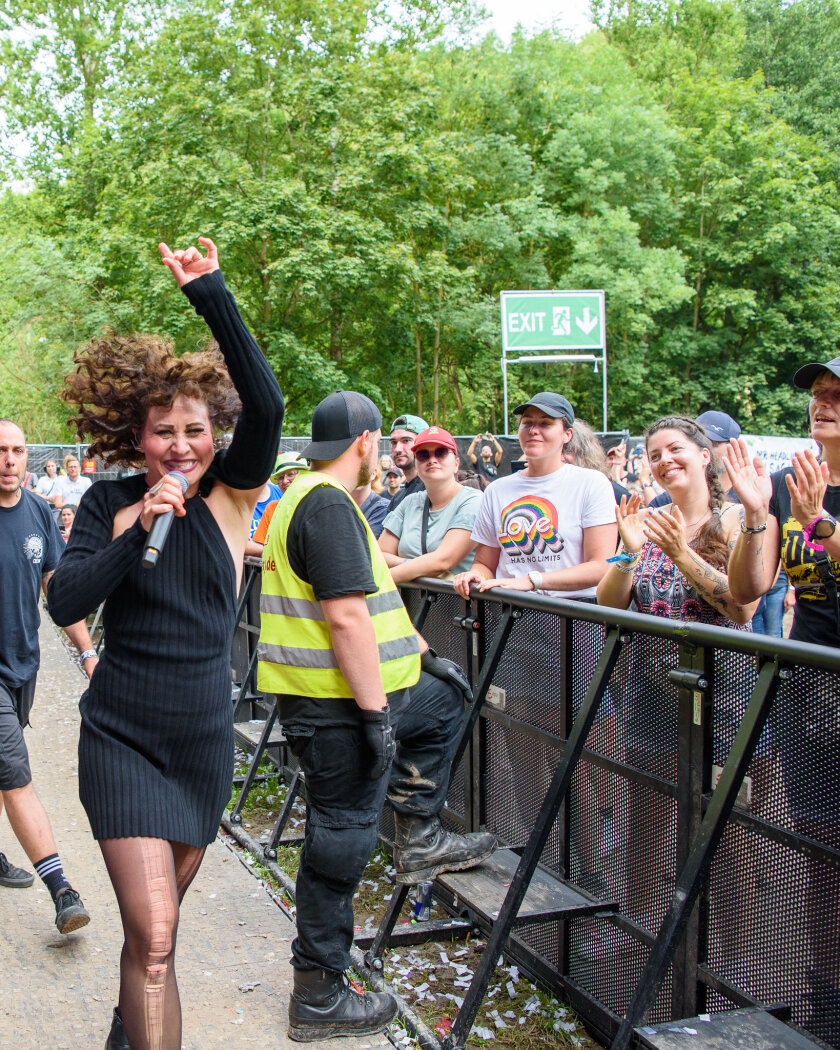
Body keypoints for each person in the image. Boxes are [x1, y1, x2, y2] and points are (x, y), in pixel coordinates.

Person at [47, 236, 284, 1050]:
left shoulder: (231, 495)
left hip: (198, 744)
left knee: (157, 938)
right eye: (163, 432)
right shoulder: (106, 501)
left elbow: (270, 405)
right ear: (134, 437)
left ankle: (127, 1035)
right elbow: (68, 600)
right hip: (120, 736)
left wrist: (210, 291)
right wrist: (133, 529)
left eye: (193, 429)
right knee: (154, 941)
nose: (181, 446)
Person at [257, 390, 495, 1042]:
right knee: (341, 839)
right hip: (337, 705)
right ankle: (319, 992)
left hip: (331, 700)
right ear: (364, 443)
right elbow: (344, 615)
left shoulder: (304, 499)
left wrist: (426, 656)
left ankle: (418, 833)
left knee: (445, 701)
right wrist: (374, 716)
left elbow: (377, 597)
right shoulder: (330, 505)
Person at [596, 416, 761, 975]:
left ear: (703, 455)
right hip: (649, 693)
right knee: (642, 823)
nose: (665, 460)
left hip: (721, 698)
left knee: (724, 838)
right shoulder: (649, 519)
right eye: (654, 453)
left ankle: (727, 960)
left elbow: (741, 608)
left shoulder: (736, 518)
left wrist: (682, 553)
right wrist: (628, 550)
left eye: (675, 449)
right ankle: (645, 935)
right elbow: (611, 603)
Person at [454, 392, 617, 902]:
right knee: (521, 743)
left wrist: (534, 581)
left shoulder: (590, 484)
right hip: (517, 626)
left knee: (579, 749)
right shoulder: (500, 489)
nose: (533, 431)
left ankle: (589, 865)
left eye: (545, 423)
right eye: (526, 422)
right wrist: (475, 577)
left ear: (567, 433)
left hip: (577, 625)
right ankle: (538, 849)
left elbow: (601, 566)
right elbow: (487, 560)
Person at [726, 356, 840, 1044]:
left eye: (837, 394)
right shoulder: (782, 483)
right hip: (813, 696)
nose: (822, 403)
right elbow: (747, 589)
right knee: (821, 855)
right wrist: (755, 516)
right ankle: (827, 996)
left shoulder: (813, 499)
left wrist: (820, 522)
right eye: (817, 394)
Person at [0, 419, 97, 933]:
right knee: (16, 776)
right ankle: (62, 889)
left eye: (17, 450)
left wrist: (87, 654)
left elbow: (58, 595)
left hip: (23, 664)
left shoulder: (39, 512)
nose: (9, 460)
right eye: (1, 450)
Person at [379, 426, 480, 582]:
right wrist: (415, 566)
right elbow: (379, 555)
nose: (432, 459)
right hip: (411, 604)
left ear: (456, 464)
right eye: (423, 455)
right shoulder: (410, 502)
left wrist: (381, 582)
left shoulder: (473, 501)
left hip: (457, 604)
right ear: (417, 465)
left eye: (441, 452)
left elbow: (442, 561)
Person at [648, 409, 741, 508]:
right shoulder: (662, 503)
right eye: (698, 444)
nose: (705, 450)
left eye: (713, 444)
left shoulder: (747, 497)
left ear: (734, 448)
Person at [246, 453, 309, 554]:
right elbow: (259, 545)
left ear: (304, 475)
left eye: (290, 474)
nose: (284, 481)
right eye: (280, 477)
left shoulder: (317, 505)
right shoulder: (272, 508)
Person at [387, 413, 428, 511]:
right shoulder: (397, 499)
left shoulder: (433, 491)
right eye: (394, 442)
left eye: (406, 441)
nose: (397, 449)